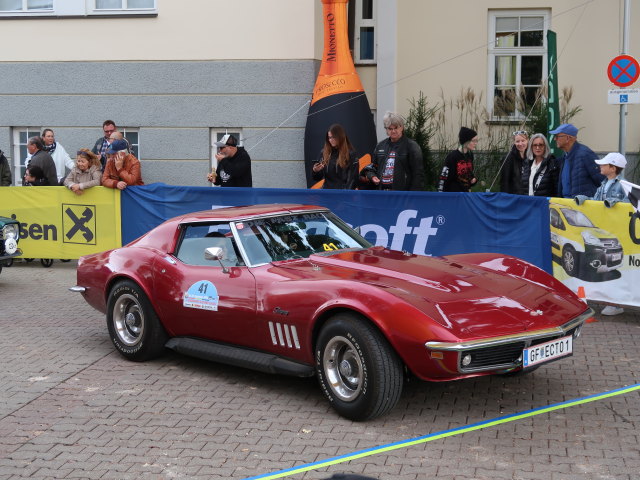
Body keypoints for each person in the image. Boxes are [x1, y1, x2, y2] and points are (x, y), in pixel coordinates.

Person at [361, 111, 424, 191]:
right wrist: (372, 176)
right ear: (386, 130)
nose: (393, 131)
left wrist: (413, 197)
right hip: (382, 193)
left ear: (402, 127)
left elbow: (418, 175)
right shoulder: (380, 146)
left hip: (403, 195)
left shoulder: (411, 146)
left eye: (396, 127)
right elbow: (373, 167)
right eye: (390, 128)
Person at [551, 123, 604, 198]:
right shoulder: (565, 156)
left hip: (582, 206)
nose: (555, 139)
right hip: (567, 205)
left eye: (557, 136)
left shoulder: (585, 154)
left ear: (568, 138)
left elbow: (602, 180)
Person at [311, 124, 358, 189]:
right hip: (327, 193)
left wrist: (345, 195)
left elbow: (353, 179)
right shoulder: (324, 152)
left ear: (340, 137)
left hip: (343, 195)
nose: (331, 140)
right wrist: (315, 171)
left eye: (333, 137)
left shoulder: (351, 154)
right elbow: (317, 178)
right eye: (329, 137)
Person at [437, 127, 478, 192]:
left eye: (476, 141)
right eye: (474, 141)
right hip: (453, 195)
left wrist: (473, 180)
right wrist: (440, 195)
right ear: (466, 141)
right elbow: (444, 177)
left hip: (465, 195)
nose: (476, 143)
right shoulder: (452, 157)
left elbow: (469, 174)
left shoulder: (470, 155)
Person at [500, 130, 529, 194]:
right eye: (517, 141)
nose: (520, 144)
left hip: (528, 196)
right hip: (514, 196)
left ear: (527, 140)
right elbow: (505, 181)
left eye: (523, 140)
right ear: (514, 142)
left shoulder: (531, 156)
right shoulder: (508, 158)